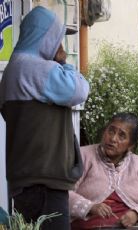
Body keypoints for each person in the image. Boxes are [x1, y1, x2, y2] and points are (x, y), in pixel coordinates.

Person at [0, 6, 89, 229]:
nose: (60, 46)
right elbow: (79, 91)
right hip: (45, 180)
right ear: (47, 37)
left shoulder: (14, 68)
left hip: (25, 179)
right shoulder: (36, 68)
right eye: (58, 39)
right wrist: (64, 63)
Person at [69, 113, 138, 229]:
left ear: (130, 145)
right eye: (111, 131)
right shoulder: (83, 156)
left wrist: (136, 214)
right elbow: (62, 192)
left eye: (122, 136)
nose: (113, 138)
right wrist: (89, 207)